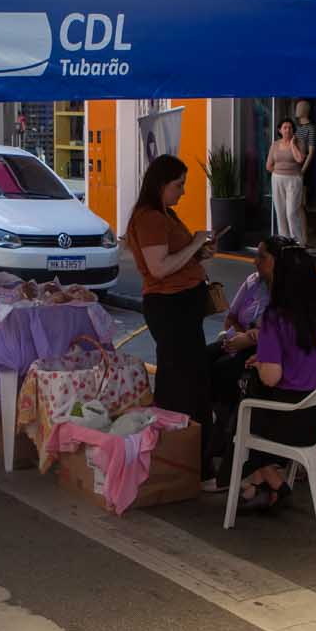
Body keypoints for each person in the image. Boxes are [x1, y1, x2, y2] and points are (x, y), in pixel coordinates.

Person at [234, 245, 316, 512]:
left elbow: (271, 378)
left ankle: (267, 481)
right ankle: (263, 481)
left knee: (242, 408)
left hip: (296, 421)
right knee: (249, 408)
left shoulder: (275, 318)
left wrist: (262, 362)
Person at [128, 154, 215, 438]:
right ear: (160, 185)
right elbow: (159, 268)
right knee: (180, 380)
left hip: (183, 304)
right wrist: (195, 244)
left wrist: (198, 252)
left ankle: (194, 445)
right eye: (178, 185)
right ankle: (181, 445)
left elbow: (174, 258)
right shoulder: (150, 219)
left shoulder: (165, 214)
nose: (183, 191)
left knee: (191, 377)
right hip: (170, 307)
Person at [204, 236, 287, 487]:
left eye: (262, 256)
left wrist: (249, 339)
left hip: (261, 352)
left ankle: (225, 436)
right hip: (236, 340)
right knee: (200, 362)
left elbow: (278, 336)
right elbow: (231, 317)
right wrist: (241, 336)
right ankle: (216, 429)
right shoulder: (253, 282)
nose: (255, 261)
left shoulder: (286, 296)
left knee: (224, 372)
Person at [266, 118, 307, 243]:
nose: (288, 130)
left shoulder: (299, 143)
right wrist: (279, 172)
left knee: (291, 213)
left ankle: (297, 243)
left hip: (294, 180)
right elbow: (268, 165)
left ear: (293, 130)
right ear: (280, 130)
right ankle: (284, 242)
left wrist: (292, 144)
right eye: (285, 127)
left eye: (290, 127)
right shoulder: (275, 145)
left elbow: (300, 159)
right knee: (280, 213)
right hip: (277, 179)